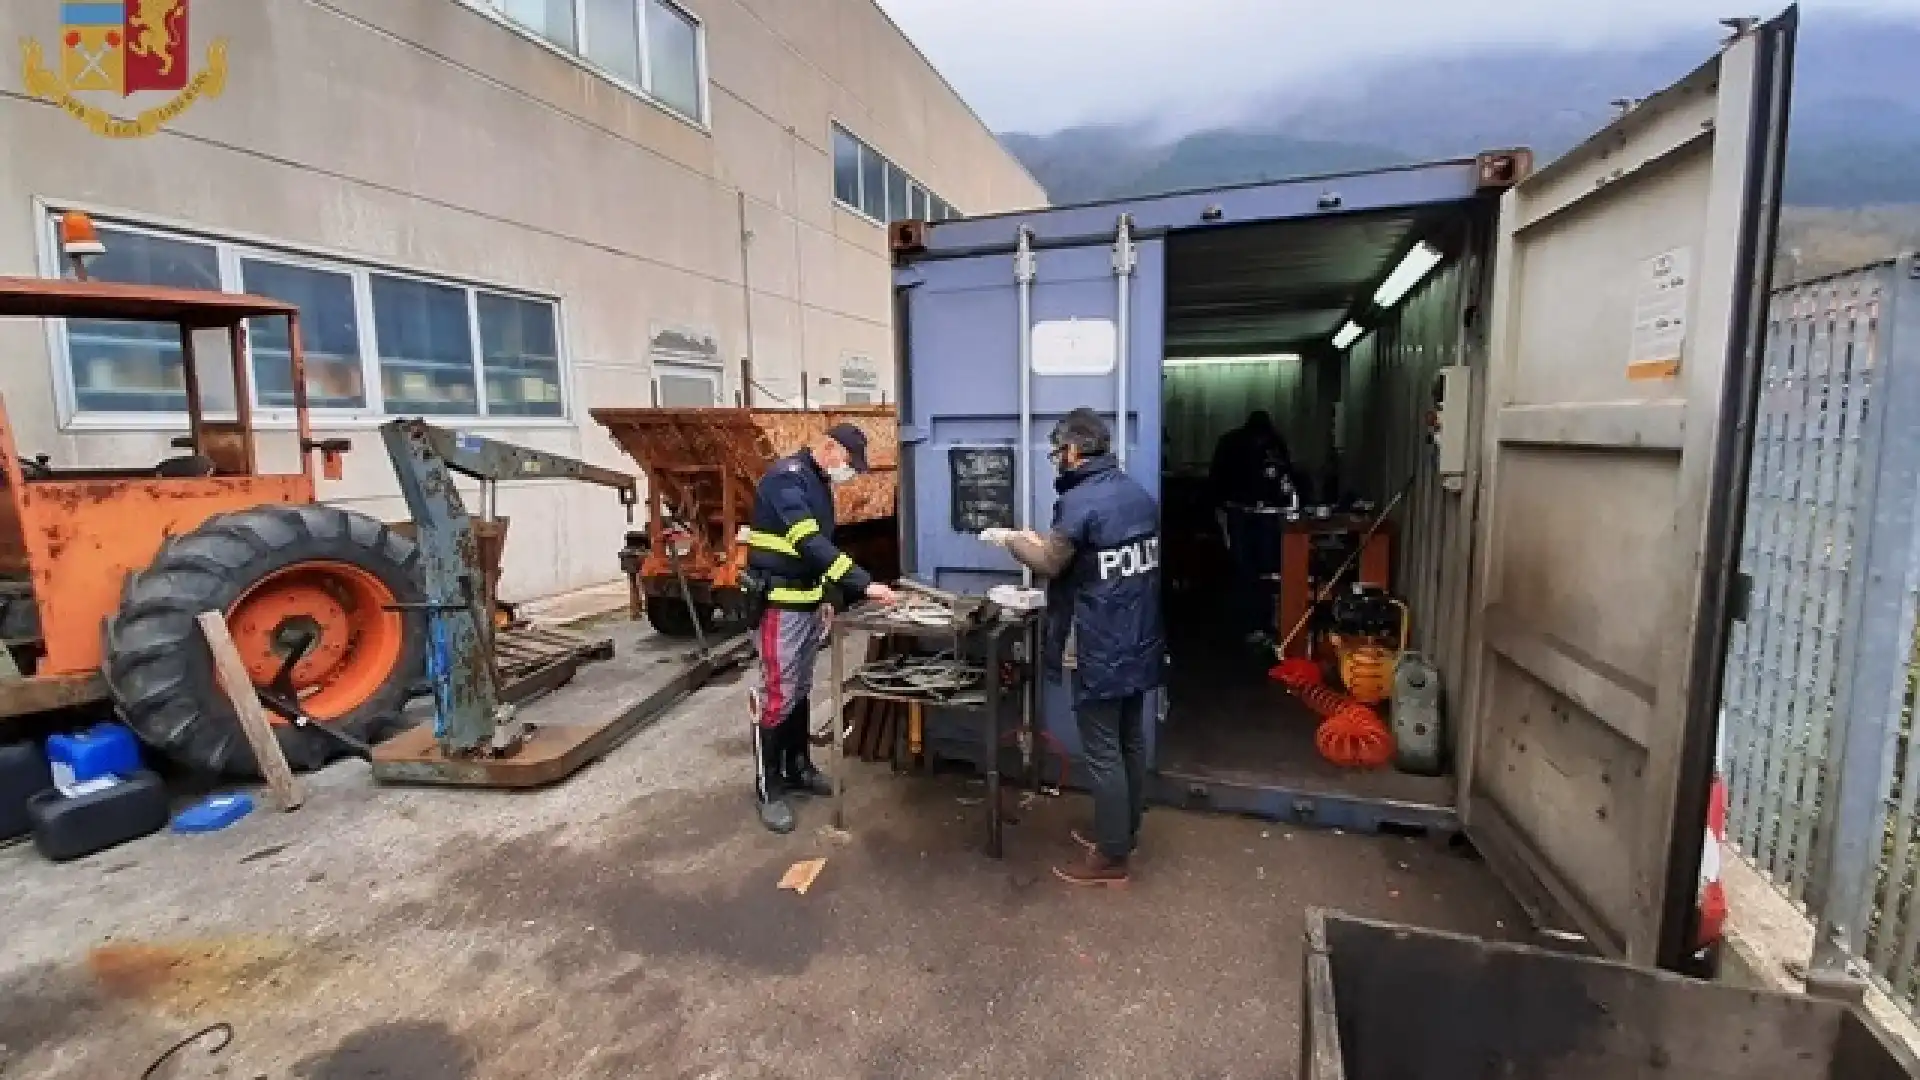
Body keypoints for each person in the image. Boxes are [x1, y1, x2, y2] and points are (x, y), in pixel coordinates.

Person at [982, 409, 1164, 886]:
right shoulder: (1137, 494)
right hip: (1138, 635)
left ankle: (1111, 860)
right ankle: (1123, 833)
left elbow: (1051, 562)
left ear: (1075, 451)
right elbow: (1095, 556)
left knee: (1103, 748)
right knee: (1129, 739)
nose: (1057, 460)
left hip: (1097, 639)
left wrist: (1011, 539)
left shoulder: (1081, 502)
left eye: (1059, 451)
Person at [744, 423, 898, 834]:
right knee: (779, 694)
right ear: (830, 447)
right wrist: (864, 583)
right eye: (849, 461)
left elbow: (824, 549)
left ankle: (797, 767)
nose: (850, 471)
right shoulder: (785, 481)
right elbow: (809, 543)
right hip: (781, 605)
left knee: (801, 689)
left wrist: (829, 597)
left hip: (809, 603)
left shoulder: (818, 481)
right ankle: (769, 788)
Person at [1208, 411, 1297, 646]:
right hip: (1267, 516)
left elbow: (1215, 481)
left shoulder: (1230, 442)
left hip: (1239, 513)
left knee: (1245, 570)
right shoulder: (1274, 444)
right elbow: (1286, 481)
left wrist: (1218, 511)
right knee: (1268, 572)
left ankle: (1249, 624)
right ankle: (1265, 624)